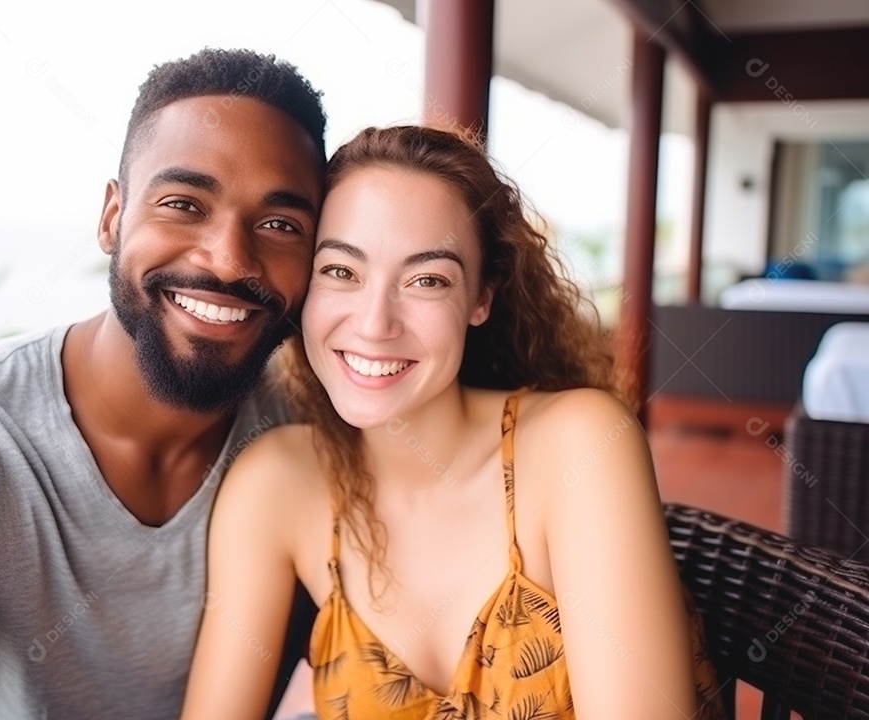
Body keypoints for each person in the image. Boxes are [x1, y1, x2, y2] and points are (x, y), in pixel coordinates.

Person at [0, 48, 326, 719]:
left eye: (280, 225)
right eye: (184, 203)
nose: (228, 258)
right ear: (111, 218)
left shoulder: (318, 423)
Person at [181, 125, 726, 719]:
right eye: (340, 270)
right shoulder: (278, 481)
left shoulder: (577, 446)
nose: (374, 323)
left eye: (427, 280)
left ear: (480, 298)